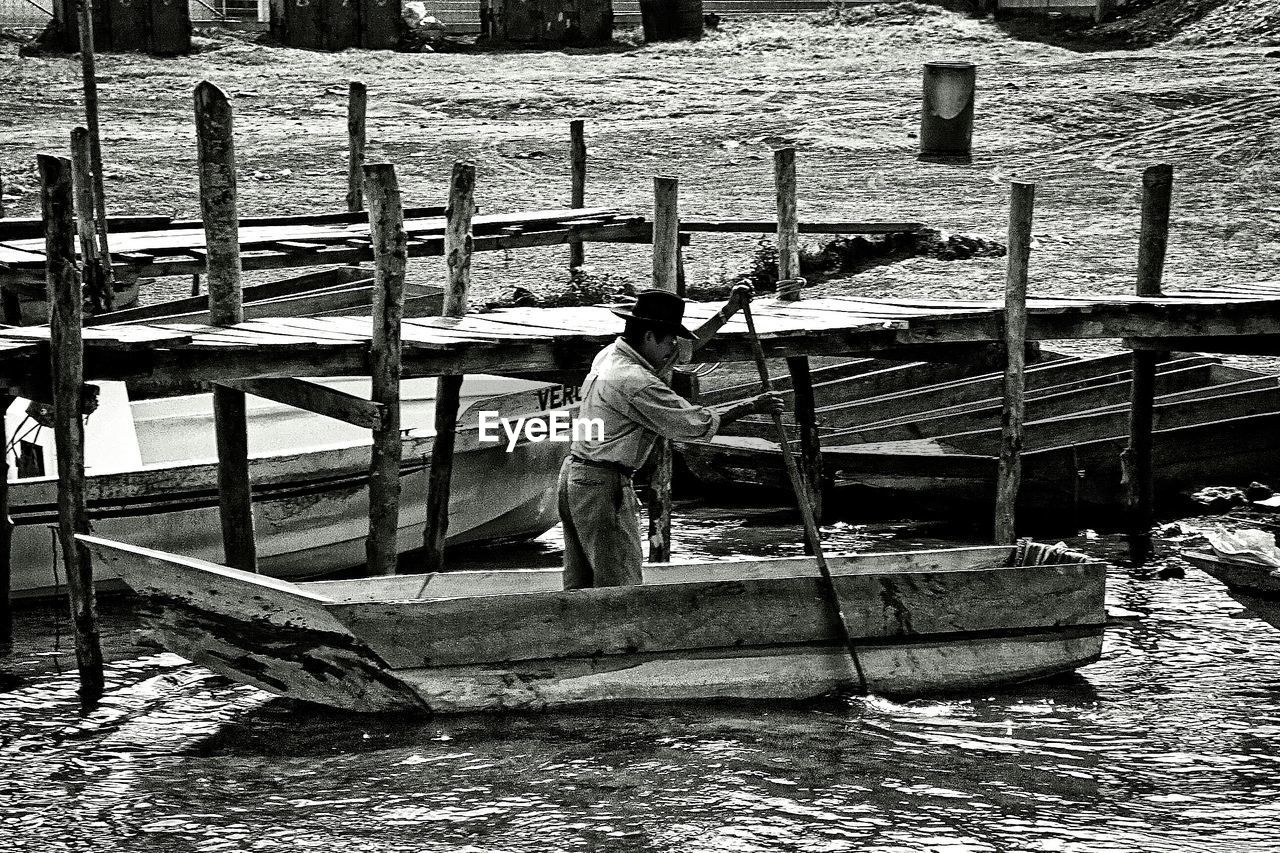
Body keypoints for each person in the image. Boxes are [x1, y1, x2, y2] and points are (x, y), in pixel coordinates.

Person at [559, 288, 784, 589]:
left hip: (575, 476)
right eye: (669, 339)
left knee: (581, 585)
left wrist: (727, 312)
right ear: (650, 336)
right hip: (603, 485)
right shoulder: (635, 381)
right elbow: (691, 424)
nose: (673, 346)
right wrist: (752, 406)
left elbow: (685, 350)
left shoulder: (611, 354)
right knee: (618, 586)